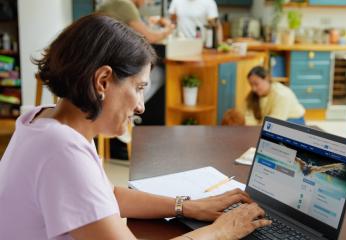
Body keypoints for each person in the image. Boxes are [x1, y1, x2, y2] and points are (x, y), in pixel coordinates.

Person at [0, 15, 272, 239]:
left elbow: (107, 197)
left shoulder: (44, 119)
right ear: (103, 81)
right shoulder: (62, 149)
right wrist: (221, 231)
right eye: (139, 87)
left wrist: (188, 206)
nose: (141, 105)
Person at [97, 0, 174, 43]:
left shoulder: (116, 2)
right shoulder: (126, 4)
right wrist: (167, 31)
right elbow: (149, 38)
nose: (146, 2)